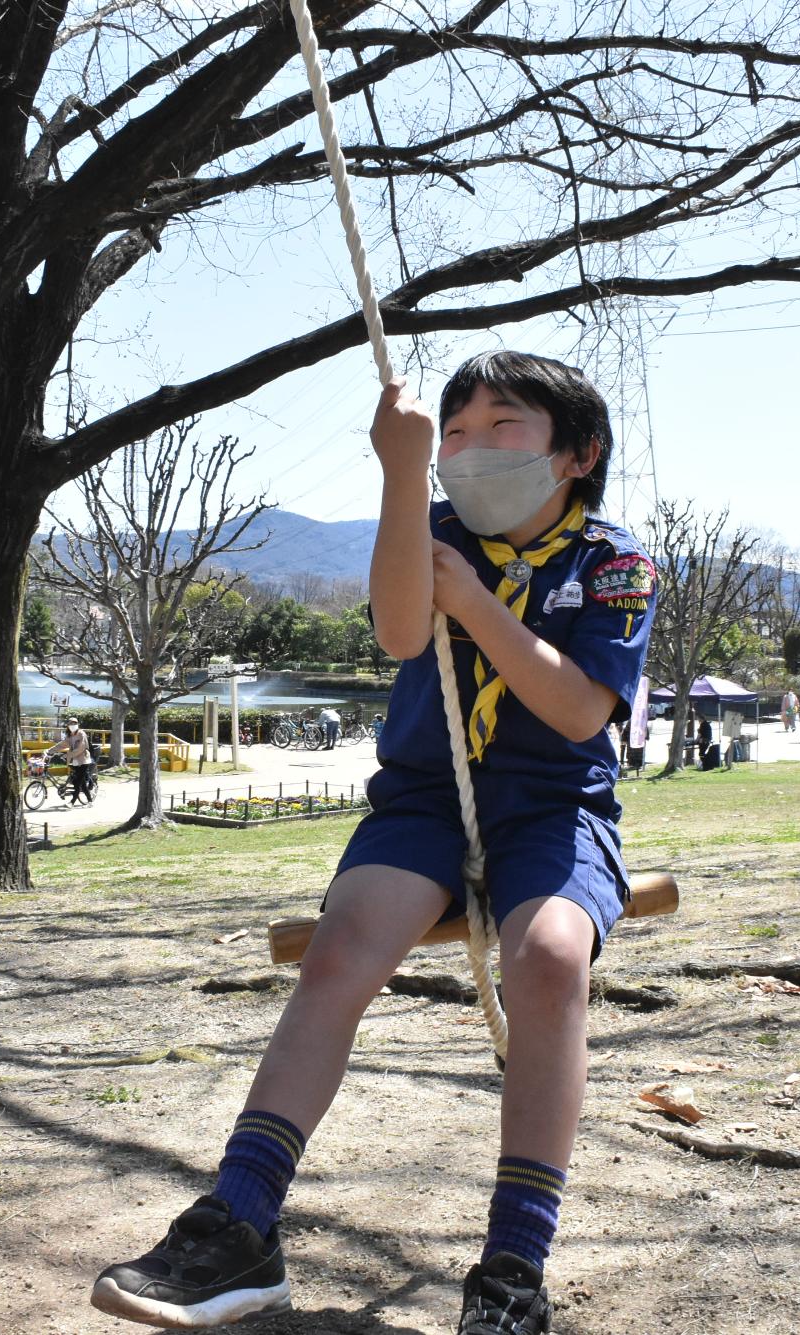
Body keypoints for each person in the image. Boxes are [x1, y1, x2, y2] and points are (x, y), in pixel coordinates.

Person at [90, 352, 656, 1334]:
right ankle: (241, 1224)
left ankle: (513, 1266)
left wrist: (475, 602)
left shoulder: (614, 563)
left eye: (502, 426)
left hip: (554, 806)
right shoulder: (430, 522)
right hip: (423, 798)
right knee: (343, 945)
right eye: (457, 431)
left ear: (575, 456)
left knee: (552, 958)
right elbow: (400, 633)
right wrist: (401, 475)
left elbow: (575, 711)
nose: (470, 449)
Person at [57, 717, 96, 803]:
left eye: (75, 723)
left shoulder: (81, 734)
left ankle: (72, 802)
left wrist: (67, 755)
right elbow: (60, 745)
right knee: (81, 783)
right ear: (68, 726)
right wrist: (49, 751)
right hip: (75, 762)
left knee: (77, 783)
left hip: (84, 761)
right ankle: (90, 801)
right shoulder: (70, 736)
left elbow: (80, 748)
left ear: (77, 725)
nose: (73, 725)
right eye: (71, 723)